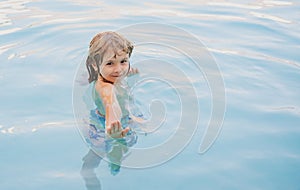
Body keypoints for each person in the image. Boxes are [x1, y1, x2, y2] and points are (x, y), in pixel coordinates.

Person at [85, 31, 139, 139]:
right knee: (115, 154)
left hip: (125, 118)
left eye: (123, 61)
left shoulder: (115, 75)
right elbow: (110, 102)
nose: (119, 70)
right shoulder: (105, 87)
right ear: (95, 65)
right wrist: (112, 124)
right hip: (104, 125)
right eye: (110, 63)